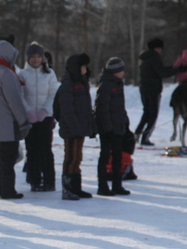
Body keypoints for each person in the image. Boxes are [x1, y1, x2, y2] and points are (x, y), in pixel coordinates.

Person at [0, 39, 31, 200]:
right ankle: (8, 190)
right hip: (7, 126)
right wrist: (23, 121)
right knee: (7, 161)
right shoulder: (6, 73)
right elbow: (14, 101)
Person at [18, 42, 58, 192]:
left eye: (38, 56)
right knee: (32, 149)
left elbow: (53, 93)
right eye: (32, 57)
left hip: (45, 118)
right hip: (29, 118)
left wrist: (44, 111)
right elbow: (20, 95)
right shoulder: (22, 74)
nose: (35, 59)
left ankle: (49, 181)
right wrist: (28, 112)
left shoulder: (49, 74)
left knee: (45, 150)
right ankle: (34, 181)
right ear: (28, 58)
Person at [56, 53, 97, 200]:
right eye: (84, 66)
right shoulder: (68, 84)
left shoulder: (82, 82)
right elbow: (67, 109)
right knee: (71, 158)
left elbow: (85, 107)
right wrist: (74, 127)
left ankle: (76, 187)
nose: (86, 69)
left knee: (77, 158)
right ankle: (67, 189)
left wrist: (89, 126)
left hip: (80, 127)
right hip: (71, 129)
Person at [135, 38, 182, 146]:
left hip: (144, 88)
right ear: (158, 48)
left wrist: (173, 68)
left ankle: (137, 134)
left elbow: (159, 69)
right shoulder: (155, 57)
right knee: (153, 114)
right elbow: (162, 72)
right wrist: (177, 70)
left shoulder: (145, 57)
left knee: (146, 112)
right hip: (153, 90)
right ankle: (145, 138)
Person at [94, 57, 131, 196]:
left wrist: (124, 122)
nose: (123, 72)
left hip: (118, 126)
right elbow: (102, 108)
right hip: (108, 129)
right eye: (121, 70)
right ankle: (102, 186)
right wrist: (108, 128)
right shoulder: (106, 84)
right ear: (115, 71)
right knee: (105, 156)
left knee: (118, 157)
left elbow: (120, 107)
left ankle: (117, 185)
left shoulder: (118, 83)